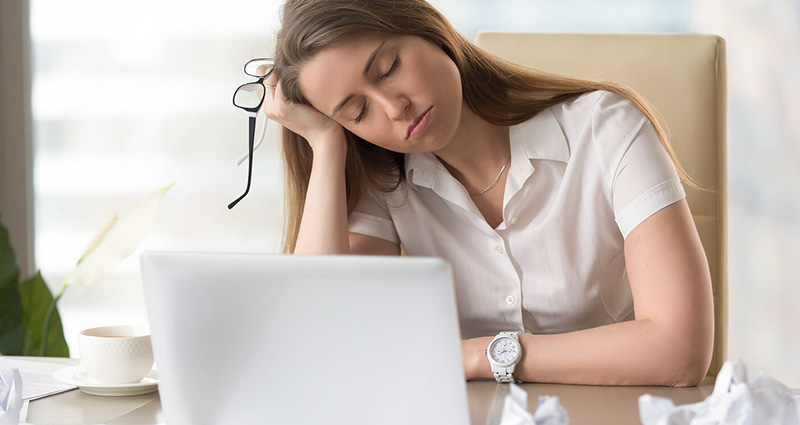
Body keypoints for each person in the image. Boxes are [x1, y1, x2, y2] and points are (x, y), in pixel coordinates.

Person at [258, 0, 714, 386]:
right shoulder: (387, 181)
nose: (394, 109)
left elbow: (681, 349)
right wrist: (326, 144)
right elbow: (317, 338)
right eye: (358, 112)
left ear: (426, 28)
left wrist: (476, 358)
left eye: (388, 68)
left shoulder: (606, 129)